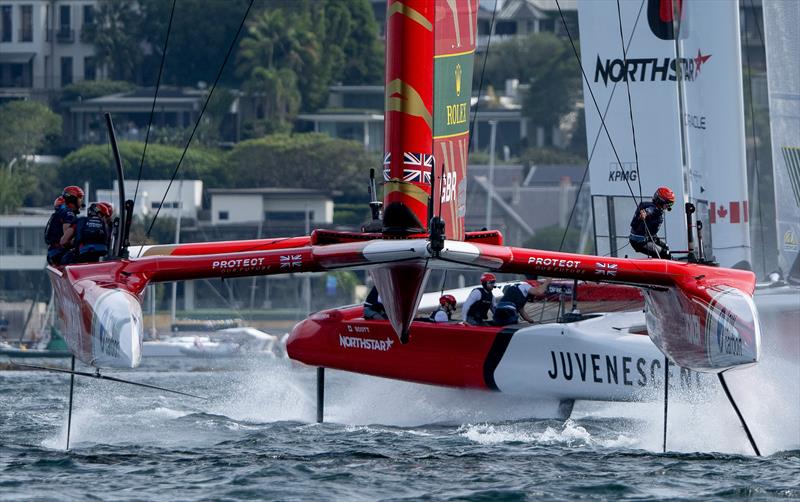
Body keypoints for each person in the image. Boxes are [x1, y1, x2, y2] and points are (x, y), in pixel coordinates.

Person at [629, 186, 675, 259]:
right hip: (640, 241)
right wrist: (644, 214)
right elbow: (649, 211)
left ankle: (656, 263)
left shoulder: (653, 207)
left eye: (670, 205)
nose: (667, 207)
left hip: (650, 238)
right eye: (667, 204)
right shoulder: (653, 209)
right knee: (665, 254)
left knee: (665, 247)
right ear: (660, 201)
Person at [44, 186, 84, 265]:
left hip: (53, 253)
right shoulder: (68, 214)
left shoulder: (61, 212)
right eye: (79, 198)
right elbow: (66, 239)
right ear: (73, 199)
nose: (81, 201)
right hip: (60, 253)